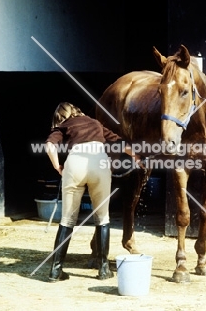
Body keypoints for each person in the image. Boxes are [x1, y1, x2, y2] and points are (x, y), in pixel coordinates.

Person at [45, 102, 139, 282]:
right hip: (99, 162)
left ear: (61, 116)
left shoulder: (63, 126)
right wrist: (135, 156)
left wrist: (57, 166)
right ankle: (103, 269)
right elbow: (119, 142)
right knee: (103, 218)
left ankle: (55, 271)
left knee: (67, 219)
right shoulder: (95, 123)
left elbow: (50, 145)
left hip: (75, 164)